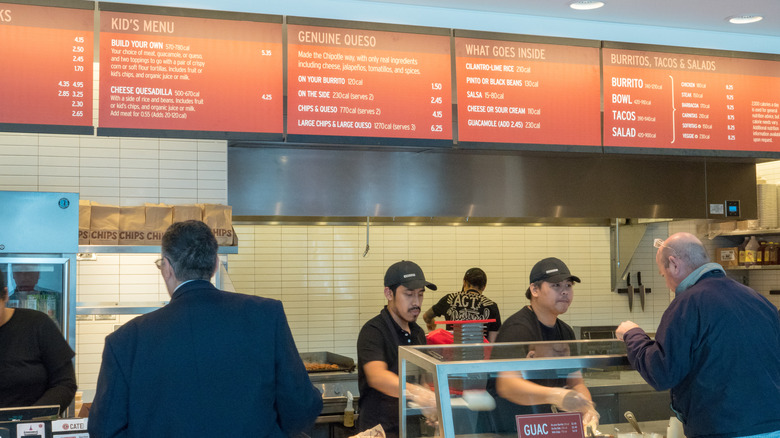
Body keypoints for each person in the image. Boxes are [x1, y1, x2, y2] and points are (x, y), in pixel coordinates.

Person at [88, 220, 322, 437]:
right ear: (216, 264)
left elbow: (106, 430)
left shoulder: (126, 339)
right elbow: (301, 407)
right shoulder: (265, 315)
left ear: (167, 268)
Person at [616, 232, 780, 438]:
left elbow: (661, 372)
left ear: (673, 264)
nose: (667, 282)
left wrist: (632, 335)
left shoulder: (688, 304)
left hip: (722, 429)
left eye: (663, 274)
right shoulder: (758, 300)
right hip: (774, 426)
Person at [489, 257, 598, 433]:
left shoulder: (566, 333)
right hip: (513, 429)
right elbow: (506, 385)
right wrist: (556, 395)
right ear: (535, 289)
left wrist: (587, 407)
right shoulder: (518, 329)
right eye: (556, 285)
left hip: (549, 428)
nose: (564, 292)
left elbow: (576, 381)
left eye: (568, 286)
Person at [357, 260, 438, 438]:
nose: (416, 302)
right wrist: (419, 394)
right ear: (389, 293)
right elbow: (378, 377)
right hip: (378, 432)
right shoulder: (373, 331)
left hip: (410, 431)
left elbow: (421, 380)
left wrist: (429, 407)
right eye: (409, 294)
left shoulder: (418, 333)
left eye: (420, 295)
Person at [0, 268, 76, 413]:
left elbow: (65, 383)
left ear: (5, 296)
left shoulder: (37, 324)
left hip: (33, 427)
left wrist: (31, 419)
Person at [423, 267, 502, 342]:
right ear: (484, 287)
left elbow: (426, 316)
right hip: (480, 353)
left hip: (452, 353)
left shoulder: (449, 299)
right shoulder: (491, 306)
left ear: (464, 282)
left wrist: (430, 322)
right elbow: (493, 342)